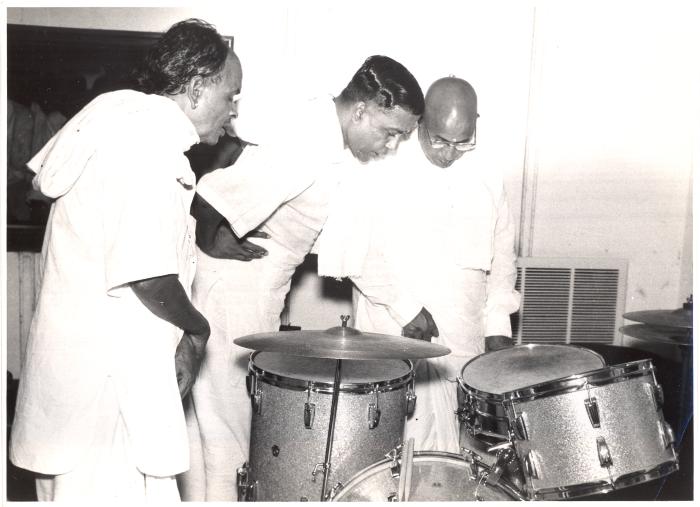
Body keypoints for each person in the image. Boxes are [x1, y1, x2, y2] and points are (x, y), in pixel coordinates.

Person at [9, 19, 242, 502]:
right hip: (105, 401)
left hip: (82, 390)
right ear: (197, 89)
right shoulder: (148, 147)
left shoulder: (116, 117)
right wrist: (199, 331)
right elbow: (150, 278)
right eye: (231, 96)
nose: (233, 113)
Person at [178, 55, 425, 501]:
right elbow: (209, 196)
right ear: (361, 109)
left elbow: (354, 248)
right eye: (390, 132)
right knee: (230, 439)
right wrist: (211, 241)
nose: (390, 146)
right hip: (234, 289)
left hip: (249, 288)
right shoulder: (311, 143)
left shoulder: (330, 145)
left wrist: (405, 307)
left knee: (206, 432)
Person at [344, 76, 520, 453]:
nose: (448, 153)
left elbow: (503, 257)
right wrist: (405, 307)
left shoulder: (488, 173)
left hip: (462, 342)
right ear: (421, 122)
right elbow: (354, 248)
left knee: (462, 463)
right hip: (391, 332)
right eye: (438, 140)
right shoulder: (381, 161)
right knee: (393, 460)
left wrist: (498, 324)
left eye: (462, 142)